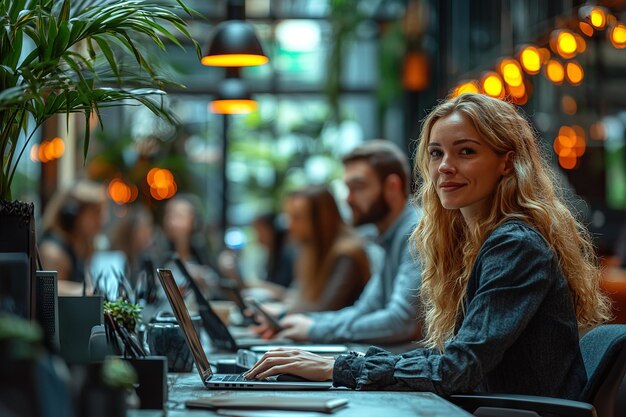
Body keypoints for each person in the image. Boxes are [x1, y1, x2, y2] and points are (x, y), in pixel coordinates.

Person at [244, 93, 611, 400]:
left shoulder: (514, 244)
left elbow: (458, 368)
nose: (445, 168)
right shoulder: (467, 241)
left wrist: (339, 366)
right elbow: (450, 359)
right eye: (436, 154)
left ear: (507, 162)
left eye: (465, 151)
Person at [255, 140, 422, 344]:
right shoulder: (389, 238)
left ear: (392, 187)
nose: (348, 199)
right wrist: (302, 322)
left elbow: (401, 322)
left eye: (358, 187)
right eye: (347, 188)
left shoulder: (415, 233)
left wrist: (314, 329)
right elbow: (364, 311)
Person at [278, 185, 371, 313]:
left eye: (297, 217)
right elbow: (299, 297)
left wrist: (282, 313)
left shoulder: (347, 254)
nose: (289, 225)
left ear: (321, 220)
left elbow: (325, 309)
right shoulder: (308, 251)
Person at [39, 180, 107, 295]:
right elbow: (48, 291)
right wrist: (89, 292)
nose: (102, 220)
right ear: (71, 215)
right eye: (96, 213)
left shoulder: (82, 246)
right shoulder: (52, 252)